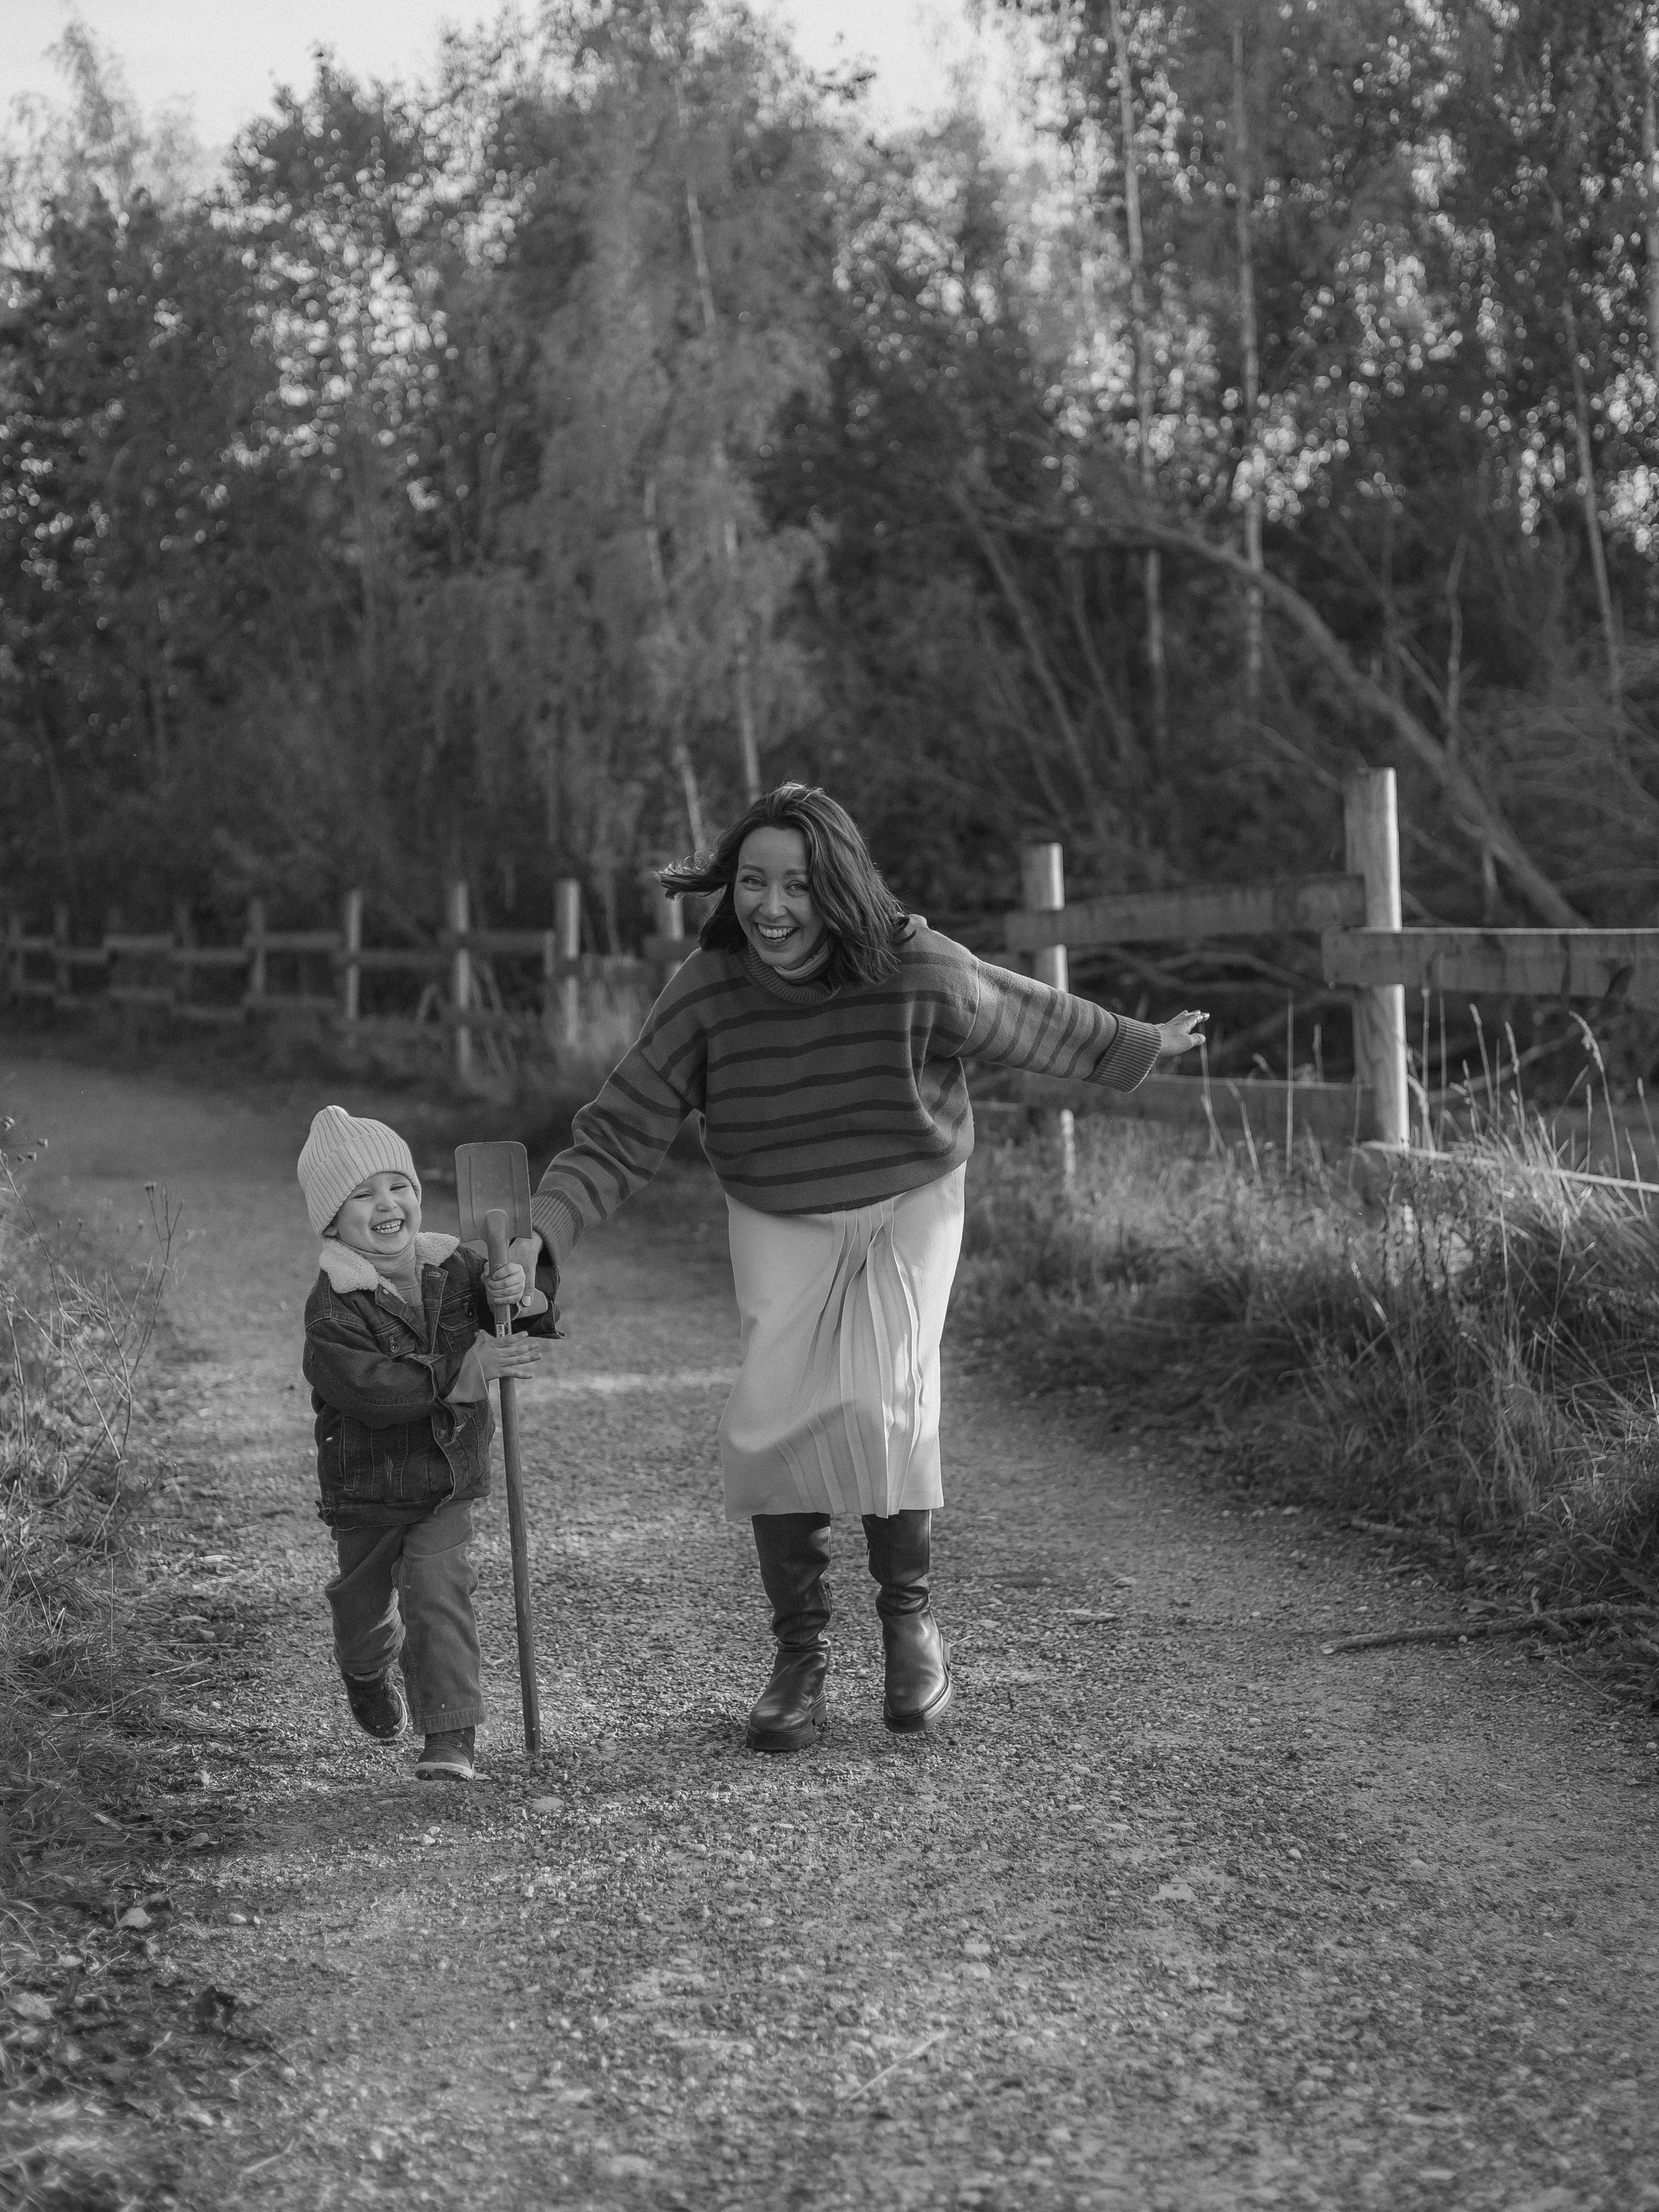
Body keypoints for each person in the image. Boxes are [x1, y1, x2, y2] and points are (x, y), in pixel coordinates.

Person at [524, 785, 1205, 1753]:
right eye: (753, 882)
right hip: (775, 1198)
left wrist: (1142, 1043)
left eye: (796, 886)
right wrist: (547, 1228)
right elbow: (624, 1123)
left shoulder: (916, 966)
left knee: (884, 1394)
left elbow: (1024, 1014)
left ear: (836, 886)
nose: (771, 908)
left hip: (909, 1192)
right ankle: (799, 1657)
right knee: (772, 1411)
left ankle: (908, 1623)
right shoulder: (711, 989)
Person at [297, 1106, 558, 1782]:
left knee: (440, 1592)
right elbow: (373, 1392)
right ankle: (364, 1668)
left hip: (444, 1480)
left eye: (398, 1185)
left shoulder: (456, 1265)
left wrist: (518, 1291)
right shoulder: (333, 1305)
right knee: (365, 1615)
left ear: (418, 1193)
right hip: (367, 1490)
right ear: (331, 1220)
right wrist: (460, 1375)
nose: (387, 1203)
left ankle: (449, 1734)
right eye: (362, 1193)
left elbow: (517, 1310)